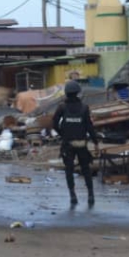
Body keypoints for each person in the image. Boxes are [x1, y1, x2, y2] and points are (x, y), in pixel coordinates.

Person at [52, 80, 100, 208]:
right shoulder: (84, 107)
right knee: (86, 169)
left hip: (68, 144)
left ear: (66, 93)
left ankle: (73, 196)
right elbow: (89, 126)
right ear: (78, 92)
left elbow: (54, 123)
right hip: (81, 144)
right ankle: (90, 195)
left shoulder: (62, 107)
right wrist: (95, 142)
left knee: (69, 170)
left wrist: (62, 134)